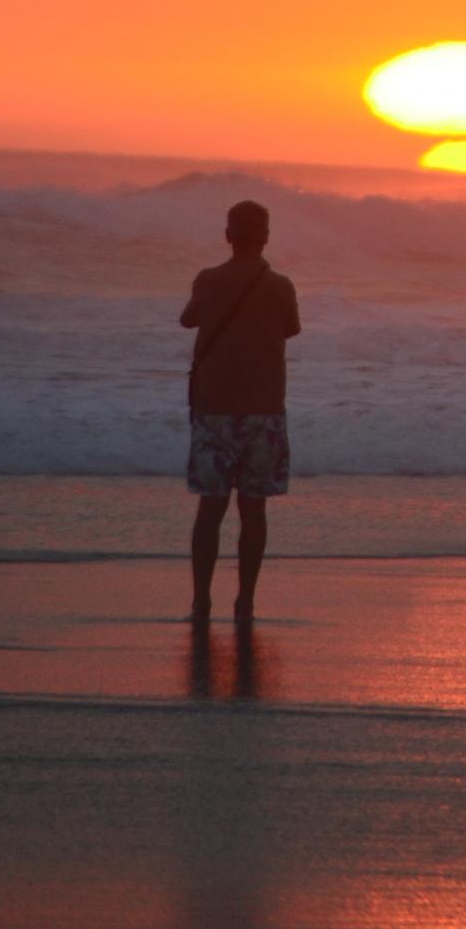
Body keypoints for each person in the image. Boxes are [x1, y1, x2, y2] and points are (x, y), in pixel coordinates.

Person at [181, 198, 301, 624]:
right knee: (254, 512)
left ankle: (201, 601)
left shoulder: (209, 280)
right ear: (265, 237)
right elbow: (291, 328)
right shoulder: (281, 286)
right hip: (263, 412)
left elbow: (187, 320)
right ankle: (245, 602)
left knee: (210, 509)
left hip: (214, 411)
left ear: (228, 235)